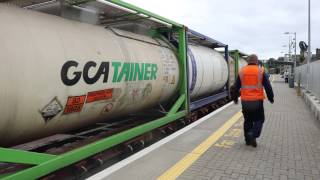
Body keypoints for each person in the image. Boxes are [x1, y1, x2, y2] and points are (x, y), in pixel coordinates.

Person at [232, 54, 274, 147]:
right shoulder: (260, 71)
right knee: (259, 119)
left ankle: (247, 140)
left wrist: (235, 98)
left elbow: (235, 87)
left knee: (248, 120)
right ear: (256, 61)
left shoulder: (242, 71)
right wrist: (271, 98)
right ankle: (253, 134)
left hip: (245, 101)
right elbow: (268, 86)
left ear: (248, 61)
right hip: (257, 102)